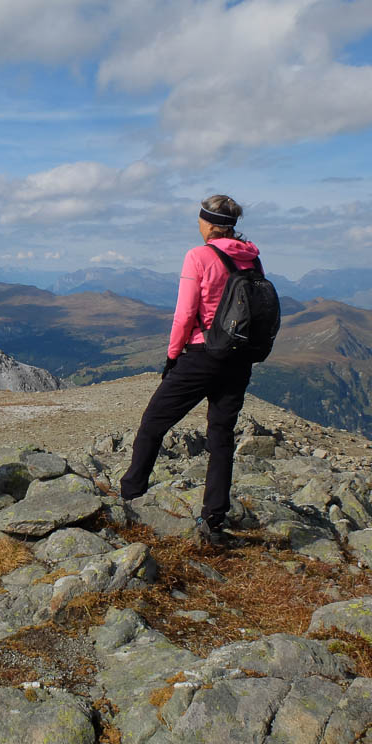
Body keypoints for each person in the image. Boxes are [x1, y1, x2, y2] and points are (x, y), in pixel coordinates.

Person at [120, 194, 260, 546]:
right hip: (238, 358)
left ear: (208, 223)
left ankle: (130, 496)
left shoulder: (199, 255)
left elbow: (184, 314)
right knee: (221, 437)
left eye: (199, 220)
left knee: (153, 423)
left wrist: (172, 356)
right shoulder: (252, 259)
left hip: (201, 355)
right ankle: (214, 521)